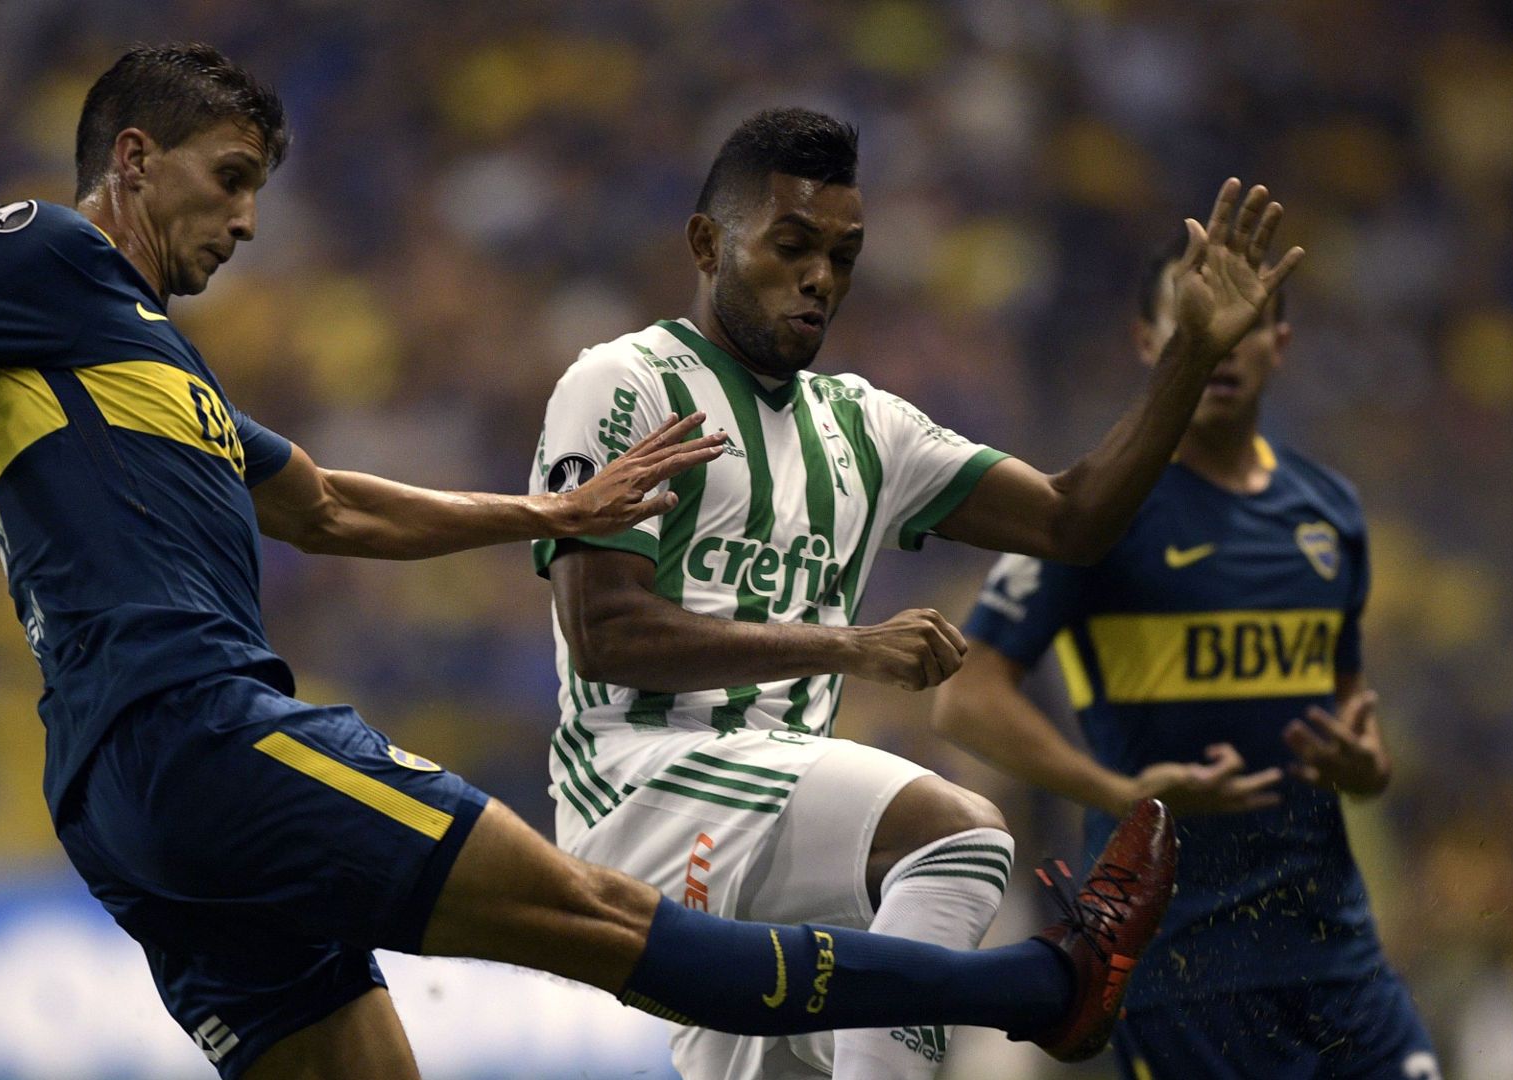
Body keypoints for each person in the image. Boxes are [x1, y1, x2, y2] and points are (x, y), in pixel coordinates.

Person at [0, 45, 1176, 1080]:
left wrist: (544, 518)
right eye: (228, 185)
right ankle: (1048, 993)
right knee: (614, 930)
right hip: (202, 735)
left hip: (117, 803)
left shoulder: (159, 372)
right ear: (135, 159)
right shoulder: (43, 253)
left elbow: (337, 507)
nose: (243, 227)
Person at [530, 107, 1299, 1080]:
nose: (821, 278)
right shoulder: (622, 381)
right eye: (793, 246)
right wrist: (844, 646)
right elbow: (604, 632)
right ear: (705, 243)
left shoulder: (866, 425)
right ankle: (1055, 986)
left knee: (863, 1028)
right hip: (645, 790)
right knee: (961, 839)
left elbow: (1072, 520)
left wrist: (1189, 357)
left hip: (790, 826)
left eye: (844, 255)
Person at [933, 237, 1440, 1079]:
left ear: (1280, 343)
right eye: (1199, 325)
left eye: (1247, 326)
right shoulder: (1093, 512)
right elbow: (965, 698)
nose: (1225, 346)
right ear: (1149, 342)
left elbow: (1360, 729)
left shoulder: (1332, 513)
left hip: (1336, 950)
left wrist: (1366, 767)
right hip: (1179, 963)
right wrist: (1120, 795)